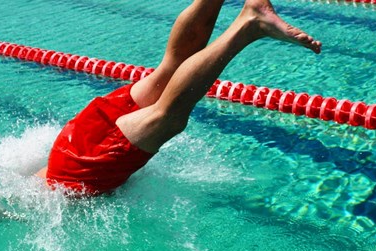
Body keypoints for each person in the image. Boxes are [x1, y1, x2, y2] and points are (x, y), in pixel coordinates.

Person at [34, 0, 321, 196]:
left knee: (168, 115)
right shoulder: (19, 184)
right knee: (170, 69)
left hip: (79, 172)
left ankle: (249, 25)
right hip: (71, 142)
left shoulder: (15, 206)